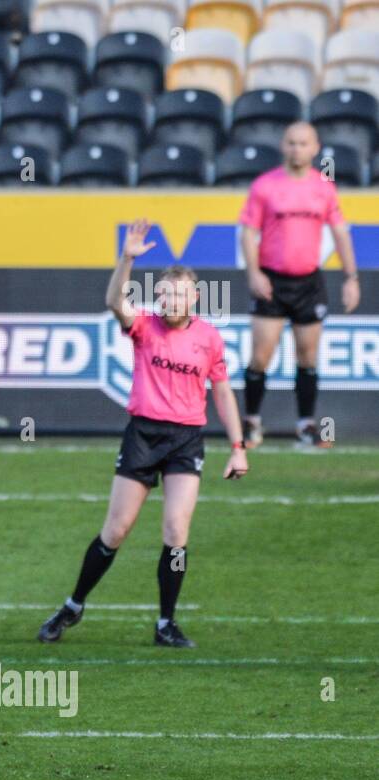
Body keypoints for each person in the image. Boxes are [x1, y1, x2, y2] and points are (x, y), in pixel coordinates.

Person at [36, 219, 249, 650]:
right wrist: (127, 259)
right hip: (143, 435)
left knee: (176, 529)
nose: (171, 300)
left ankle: (165, 623)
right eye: (165, 293)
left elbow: (222, 392)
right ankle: (73, 606)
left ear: (195, 297)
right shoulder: (144, 326)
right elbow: (114, 299)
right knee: (116, 531)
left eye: (179, 294)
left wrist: (238, 447)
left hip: (186, 440)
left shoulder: (209, 339)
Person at [239, 121, 360, 448]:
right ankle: (250, 422)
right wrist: (254, 272)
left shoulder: (324, 187)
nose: (297, 149)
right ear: (283, 146)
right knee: (261, 356)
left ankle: (306, 425)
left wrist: (351, 277)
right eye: (291, 142)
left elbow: (340, 233)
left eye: (303, 143)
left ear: (315, 148)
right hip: (272, 281)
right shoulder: (264, 186)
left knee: (307, 356)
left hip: (309, 283)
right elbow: (248, 232)